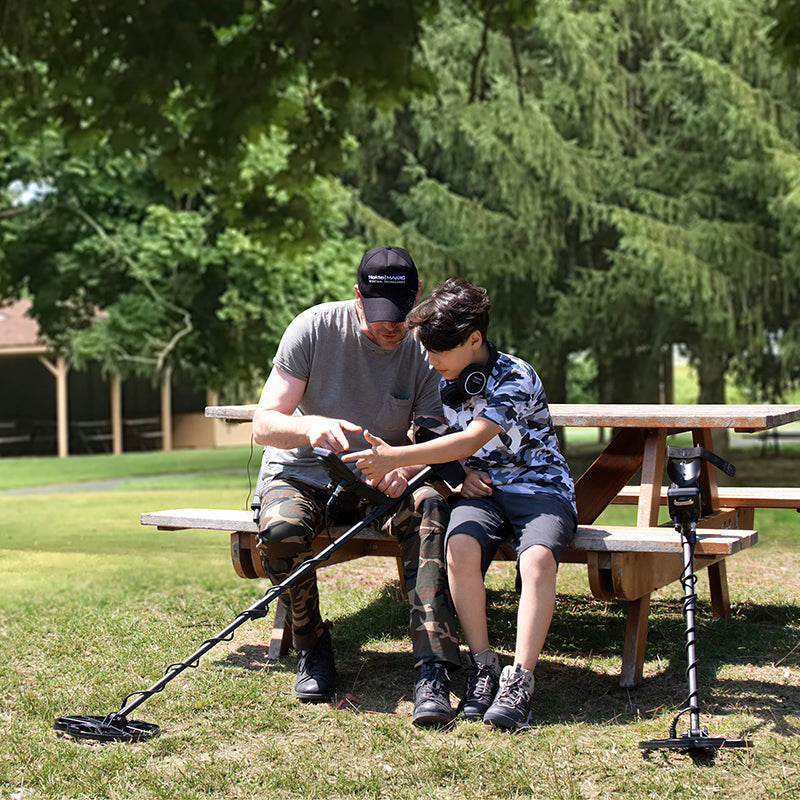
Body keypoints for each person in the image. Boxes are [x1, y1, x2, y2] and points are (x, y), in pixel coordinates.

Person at [345, 277, 576, 730]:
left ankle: (520, 680)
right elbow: (432, 433)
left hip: (540, 488)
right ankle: (483, 665)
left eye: (438, 353)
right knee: (460, 549)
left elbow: (472, 436)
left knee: (538, 561)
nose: (430, 362)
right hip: (481, 491)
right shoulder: (442, 375)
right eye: (427, 352)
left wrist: (394, 457)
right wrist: (441, 473)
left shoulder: (516, 376)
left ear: (474, 340)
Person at [251, 245, 460, 727]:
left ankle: (432, 667)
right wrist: (308, 427)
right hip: (302, 473)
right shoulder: (314, 328)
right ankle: (311, 644)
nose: (393, 326)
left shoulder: (424, 348)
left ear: (418, 297)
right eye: (381, 314)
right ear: (357, 297)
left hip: (378, 481)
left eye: (402, 314)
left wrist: (403, 470)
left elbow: (431, 438)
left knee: (428, 507)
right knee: (281, 534)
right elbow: (264, 424)